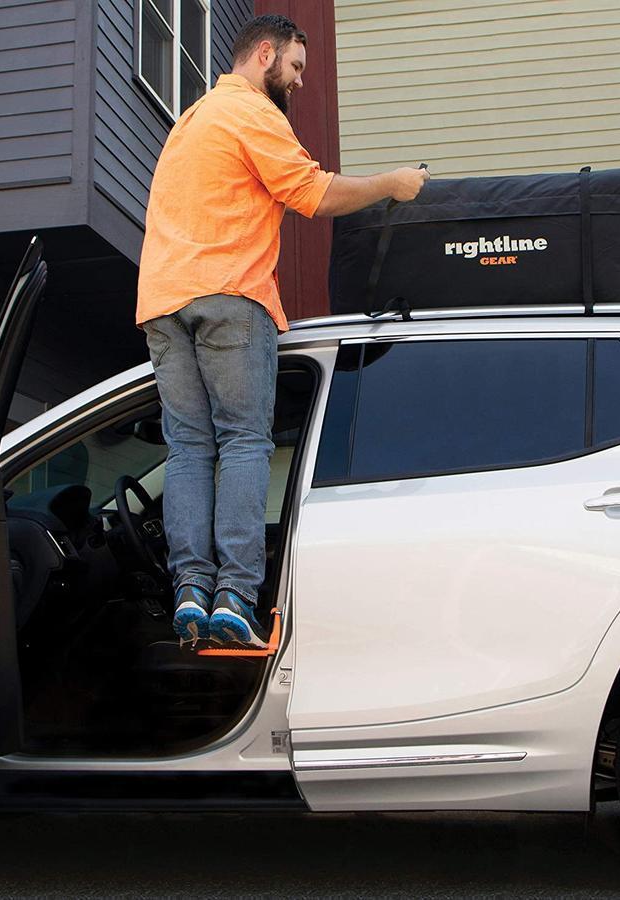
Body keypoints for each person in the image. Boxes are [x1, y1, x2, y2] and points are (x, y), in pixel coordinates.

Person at [136, 14, 429, 648]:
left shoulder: (190, 122)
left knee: (188, 447)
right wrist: (393, 185)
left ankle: (191, 587)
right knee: (243, 441)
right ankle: (236, 596)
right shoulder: (252, 112)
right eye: (294, 67)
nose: (297, 82)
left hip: (162, 299)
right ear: (263, 53)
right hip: (228, 295)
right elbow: (311, 193)